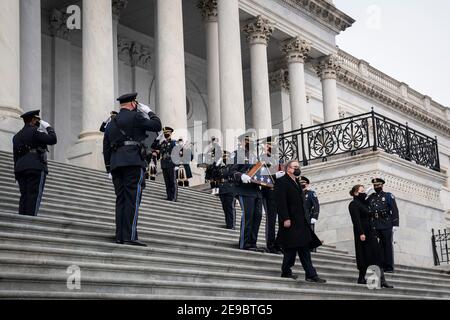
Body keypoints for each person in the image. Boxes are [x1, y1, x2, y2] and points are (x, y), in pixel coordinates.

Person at [103, 92, 162, 246]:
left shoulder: (111, 122)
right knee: (132, 199)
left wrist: (109, 167)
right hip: (133, 162)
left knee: (121, 199)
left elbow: (106, 145)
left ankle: (120, 235)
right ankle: (129, 235)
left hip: (116, 163)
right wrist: (149, 112)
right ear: (134, 103)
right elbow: (157, 125)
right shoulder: (136, 117)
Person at [275, 160, 326, 283]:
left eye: (298, 167)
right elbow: (281, 202)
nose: (297, 169)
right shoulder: (282, 181)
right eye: (295, 167)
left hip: (301, 221)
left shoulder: (297, 182)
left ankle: (308, 274)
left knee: (301, 247)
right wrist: (285, 218)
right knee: (292, 248)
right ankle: (293, 272)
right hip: (291, 221)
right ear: (288, 169)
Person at [13, 110, 57, 216]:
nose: (38, 122)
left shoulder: (16, 136)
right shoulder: (35, 131)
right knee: (34, 196)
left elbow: (15, 156)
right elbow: (53, 140)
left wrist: (16, 173)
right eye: (37, 120)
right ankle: (30, 222)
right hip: (36, 166)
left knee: (24, 196)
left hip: (20, 168)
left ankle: (21, 220)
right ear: (33, 120)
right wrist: (48, 127)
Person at [349, 184, 394, 288]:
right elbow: (356, 220)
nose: (364, 193)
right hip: (363, 233)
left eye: (364, 191)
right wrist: (361, 233)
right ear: (356, 193)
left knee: (376, 256)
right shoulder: (353, 204)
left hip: (371, 232)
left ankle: (381, 280)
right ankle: (363, 278)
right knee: (364, 256)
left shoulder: (364, 204)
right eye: (362, 191)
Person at [230, 133, 263, 251]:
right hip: (244, 190)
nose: (250, 143)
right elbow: (230, 171)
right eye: (248, 141)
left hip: (256, 190)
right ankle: (244, 243)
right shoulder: (237, 154)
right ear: (242, 142)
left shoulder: (255, 156)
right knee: (248, 216)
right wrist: (241, 175)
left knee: (257, 216)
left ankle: (253, 243)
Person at [367, 178, 399, 273]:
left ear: (382, 185)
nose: (376, 187)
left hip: (386, 224)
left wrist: (395, 224)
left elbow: (394, 210)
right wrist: (366, 192)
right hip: (375, 224)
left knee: (387, 245)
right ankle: (380, 265)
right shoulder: (371, 197)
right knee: (377, 246)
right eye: (375, 185)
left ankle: (389, 266)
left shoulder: (388, 196)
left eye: (378, 185)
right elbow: (363, 203)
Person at [260, 141, 285, 254]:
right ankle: (270, 245)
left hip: (279, 193)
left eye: (273, 145)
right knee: (271, 220)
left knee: (281, 220)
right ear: (265, 147)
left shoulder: (278, 159)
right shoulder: (262, 158)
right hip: (269, 192)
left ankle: (279, 243)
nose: (272, 146)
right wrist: (276, 176)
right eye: (269, 145)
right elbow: (262, 175)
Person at [151, 127, 178, 201]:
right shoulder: (163, 143)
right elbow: (153, 146)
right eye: (164, 133)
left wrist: (176, 165)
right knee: (167, 182)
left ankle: (173, 197)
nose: (166, 134)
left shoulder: (174, 143)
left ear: (170, 133)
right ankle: (169, 196)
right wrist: (158, 138)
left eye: (167, 133)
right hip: (164, 165)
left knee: (172, 181)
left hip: (171, 164)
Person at [216, 151, 237, 230]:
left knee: (230, 207)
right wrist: (216, 165)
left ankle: (232, 225)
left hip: (230, 188)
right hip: (222, 189)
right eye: (224, 156)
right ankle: (228, 224)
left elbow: (232, 173)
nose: (225, 158)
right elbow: (213, 174)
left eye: (227, 156)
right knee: (225, 207)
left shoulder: (232, 166)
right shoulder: (221, 167)